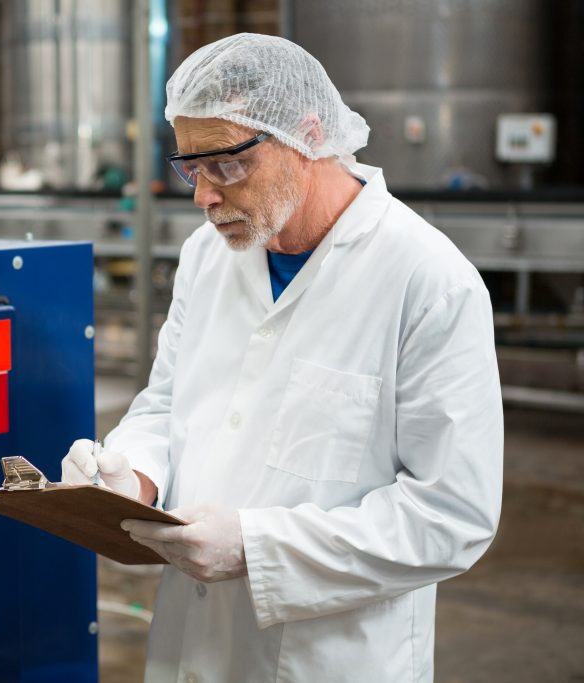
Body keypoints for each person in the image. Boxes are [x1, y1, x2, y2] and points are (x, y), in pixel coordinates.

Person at [61, 33, 503, 682]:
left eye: (226, 165)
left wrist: (254, 547)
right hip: (194, 645)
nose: (203, 196)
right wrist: (133, 477)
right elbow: (165, 402)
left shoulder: (427, 280)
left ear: (308, 135)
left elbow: (452, 514)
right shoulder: (206, 257)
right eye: (191, 166)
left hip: (329, 658)